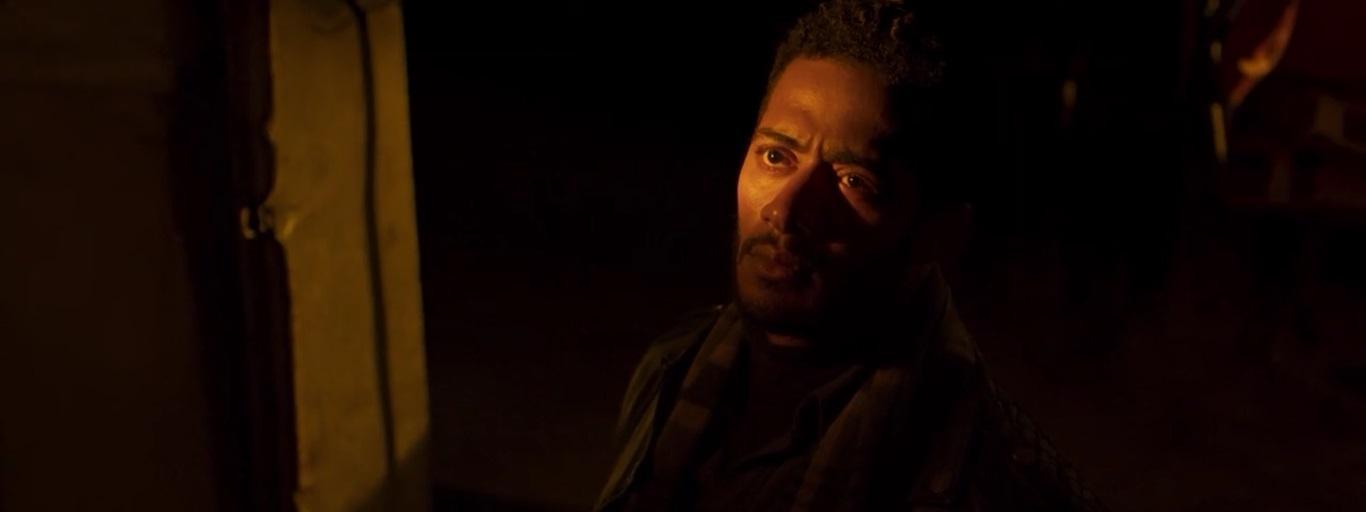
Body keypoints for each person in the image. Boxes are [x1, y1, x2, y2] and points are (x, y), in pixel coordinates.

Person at [596, 1, 1105, 510]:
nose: (785, 211)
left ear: (939, 233)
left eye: (853, 181)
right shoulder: (673, 371)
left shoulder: (988, 478)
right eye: (776, 156)